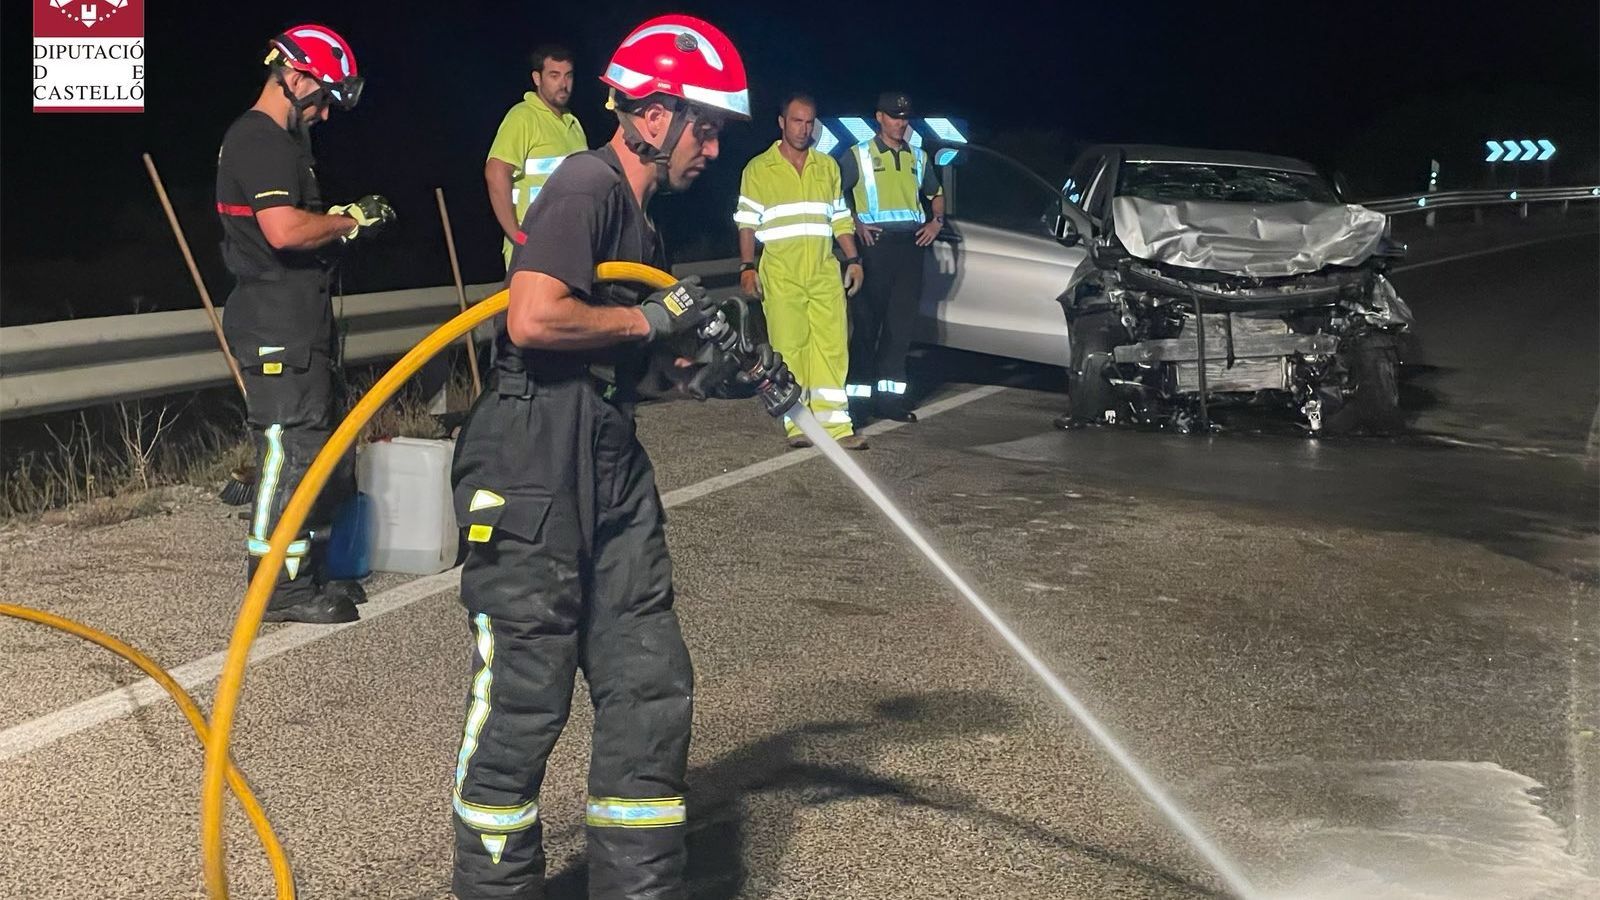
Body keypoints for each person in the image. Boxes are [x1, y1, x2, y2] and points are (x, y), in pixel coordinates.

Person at [448, 15, 771, 900]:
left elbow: (630, 358)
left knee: (648, 681)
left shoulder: (643, 226)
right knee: (527, 694)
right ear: (656, 115)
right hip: (532, 456)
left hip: (606, 449)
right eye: (707, 127)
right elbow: (533, 317)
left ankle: (639, 886)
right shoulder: (584, 185)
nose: (713, 148)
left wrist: (706, 371)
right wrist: (646, 319)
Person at [215, 24, 393, 624]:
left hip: (299, 320)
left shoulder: (284, 144)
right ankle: (278, 589)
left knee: (317, 451)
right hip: (274, 322)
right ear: (295, 75)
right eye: (322, 98)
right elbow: (284, 230)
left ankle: (308, 573)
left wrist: (339, 227)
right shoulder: (258, 139)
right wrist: (348, 221)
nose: (324, 113)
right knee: (288, 451)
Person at [735, 93, 868, 451]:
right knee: (790, 348)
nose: (803, 129)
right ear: (782, 122)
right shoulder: (759, 169)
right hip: (781, 274)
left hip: (824, 272)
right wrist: (747, 267)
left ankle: (837, 426)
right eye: (797, 121)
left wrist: (854, 259)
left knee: (832, 347)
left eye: (809, 122)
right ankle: (799, 424)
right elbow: (746, 223)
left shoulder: (827, 167)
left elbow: (840, 218)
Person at [838, 90, 945, 424]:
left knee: (900, 329)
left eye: (904, 117)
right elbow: (834, 196)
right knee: (866, 327)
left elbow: (936, 193)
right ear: (879, 118)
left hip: (910, 249)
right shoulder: (858, 155)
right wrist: (856, 223)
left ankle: (889, 402)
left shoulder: (918, 157)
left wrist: (937, 222)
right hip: (873, 249)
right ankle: (857, 403)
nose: (900, 123)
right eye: (894, 117)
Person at [486, 43, 588, 269]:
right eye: (554, 75)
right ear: (537, 78)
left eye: (568, 75)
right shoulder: (523, 117)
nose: (563, 84)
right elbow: (495, 172)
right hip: (534, 250)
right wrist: (518, 237)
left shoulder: (574, 123)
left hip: (573, 248)